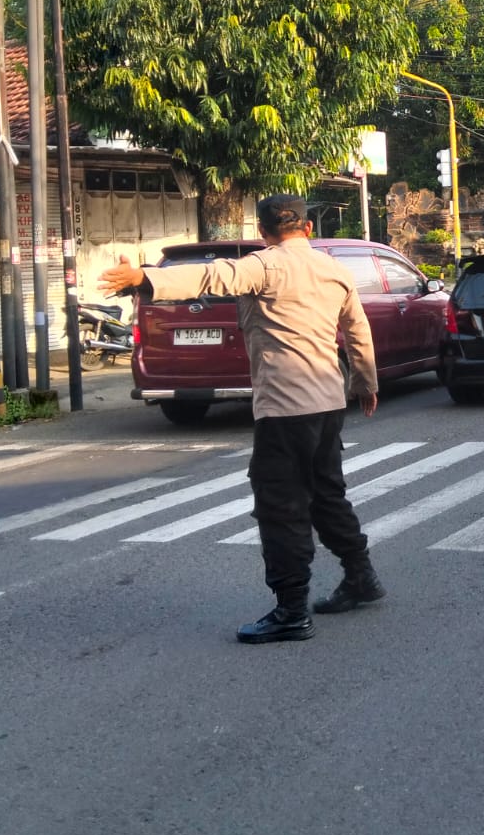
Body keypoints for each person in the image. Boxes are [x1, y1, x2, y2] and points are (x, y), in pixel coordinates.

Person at [97, 195, 384, 644]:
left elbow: (212, 274)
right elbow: (357, 330)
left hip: (285, 407)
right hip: (328, 402)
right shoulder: (335, 269)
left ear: (265, 232)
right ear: (307, 228)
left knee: (281, 507)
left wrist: (143, 278)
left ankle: (291, 610)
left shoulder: (264, 266)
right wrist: (365, 383)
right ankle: (360, 576)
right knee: (326, 495)